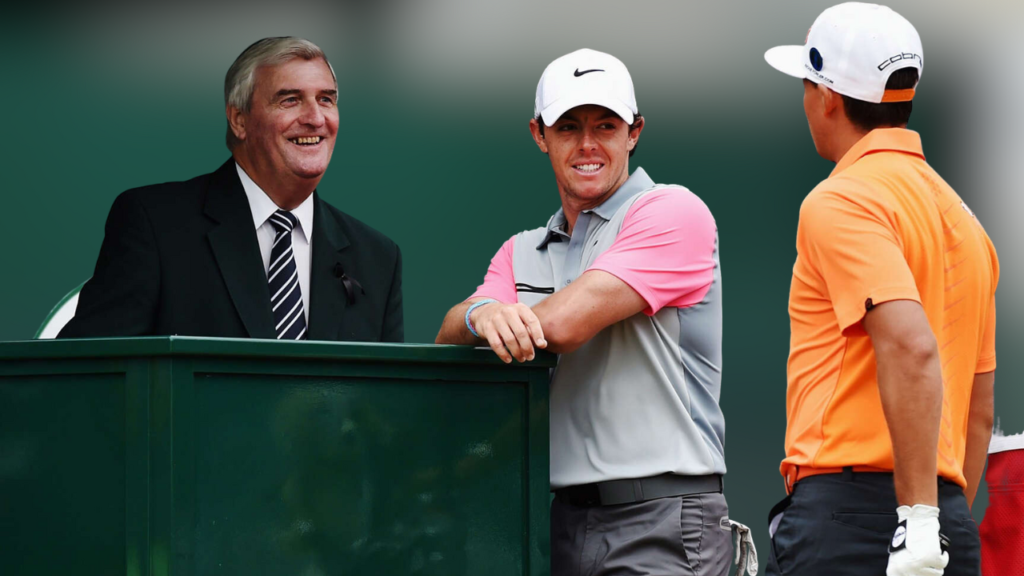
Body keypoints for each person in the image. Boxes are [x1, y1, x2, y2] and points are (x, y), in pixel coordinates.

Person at [436, 48, 755, 576]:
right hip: (558, 523)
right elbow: (450, 335)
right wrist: (480, 316)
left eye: (606, 126)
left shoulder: (673, 210)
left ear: (634, 132)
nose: (588, 145)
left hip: (664, 519)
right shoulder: (522, 250)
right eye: (569, 127)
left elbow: (563, 325)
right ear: (540, 135)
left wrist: (499, 313)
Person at [763, 4, 998, 576]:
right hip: (944, 522)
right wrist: (936, 526)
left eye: (806, 85)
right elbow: (977, 415)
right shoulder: (967, 222)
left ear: (828, 98)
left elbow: (912, 347)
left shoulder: (841, 199)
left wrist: (914, 522)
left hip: (858, 523)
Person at [59, 37, 402, 342]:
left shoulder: (376, 257)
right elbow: (88, 378)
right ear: (239, 120)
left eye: (326, 99)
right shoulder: (155, 225)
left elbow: (387, 404)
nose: (315, 118)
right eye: (290, 100)